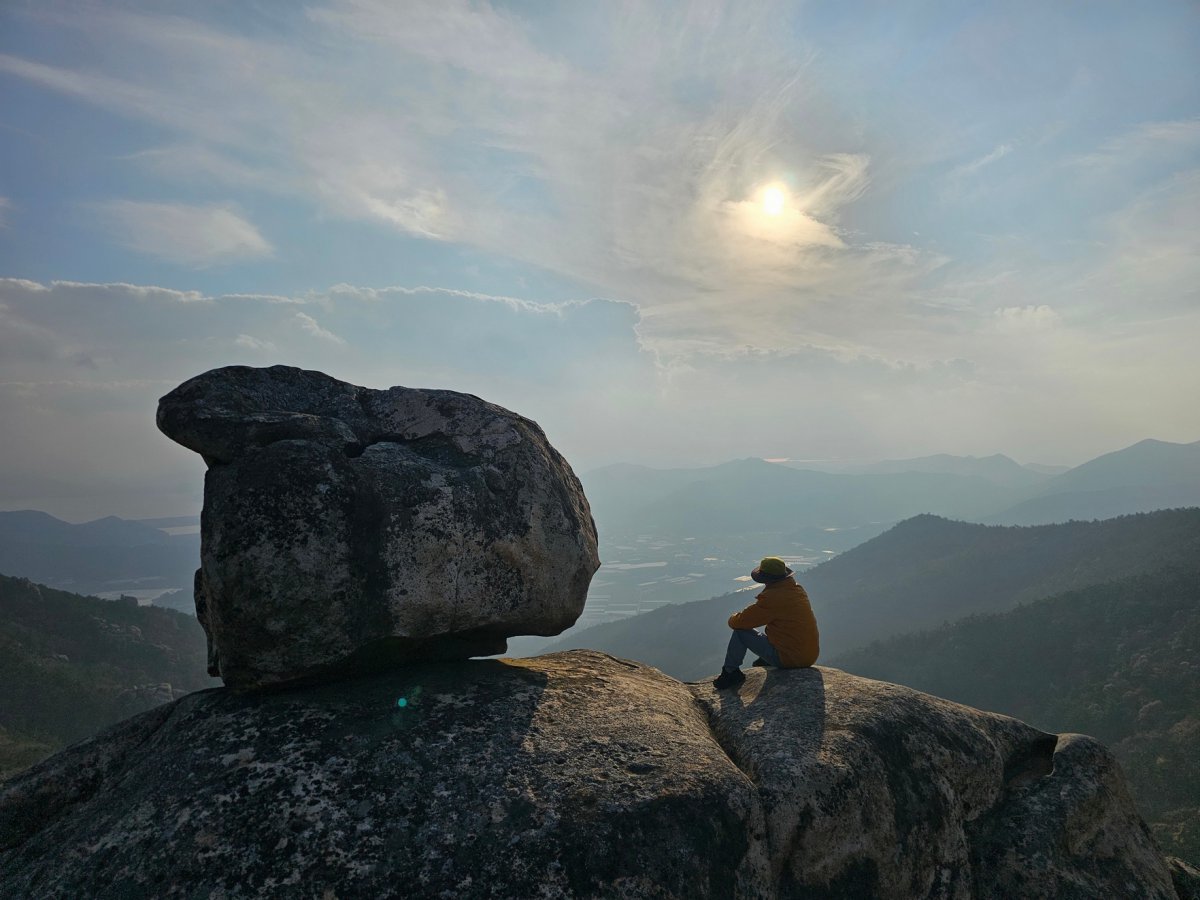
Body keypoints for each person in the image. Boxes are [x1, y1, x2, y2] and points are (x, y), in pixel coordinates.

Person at [713, 556, 820, 690]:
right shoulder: (796, 590)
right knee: (778, 628)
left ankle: (730, 673)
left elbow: (738, 622)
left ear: (766, 579)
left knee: (741, 632)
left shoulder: (773, 598)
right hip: (809, 655)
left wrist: (733, 617)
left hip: (790, 659)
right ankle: (765, 660)